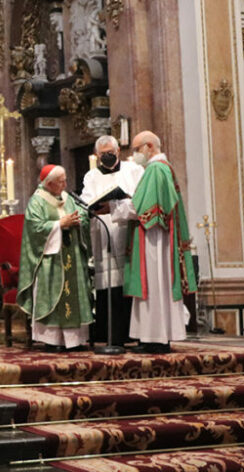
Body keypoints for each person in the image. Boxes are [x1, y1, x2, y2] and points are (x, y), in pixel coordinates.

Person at [113, 131, 197, 354]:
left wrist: (116, 209)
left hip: (153, 239)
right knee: (158, 285)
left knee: (154, 285)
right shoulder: (164, 167)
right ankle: (155, 337)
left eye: (137, 149)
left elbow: (143, 208)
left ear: (149, 146)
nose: (135, 154)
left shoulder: (155, 169)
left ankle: (155, 338)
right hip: (158, 236)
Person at [18, 164, 94, 352]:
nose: (65, 184)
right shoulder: (37, 201)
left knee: (73, 294)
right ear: (49, 184)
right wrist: (60, 224)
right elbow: (34, 228)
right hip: (51, 261)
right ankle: (52, 340)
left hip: (71, 255)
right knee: (54, 295)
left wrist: (79, 221)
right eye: (61, 182)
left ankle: (74, 340)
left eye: (65, 180)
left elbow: (82, 216)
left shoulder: (68, 198)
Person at [80, 135, 143, 346]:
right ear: (97, 156)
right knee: (109, 285)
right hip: (104, 232)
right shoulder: (91, 176)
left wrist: (123, 200)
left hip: (127, 231)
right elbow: (87, 200)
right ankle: (110, 334)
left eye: (111, 152)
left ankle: (131, 332)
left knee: (127, 284)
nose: (107, 156)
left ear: (118, 152)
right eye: (103, 154)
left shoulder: (133, 170)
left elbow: (141, 199)